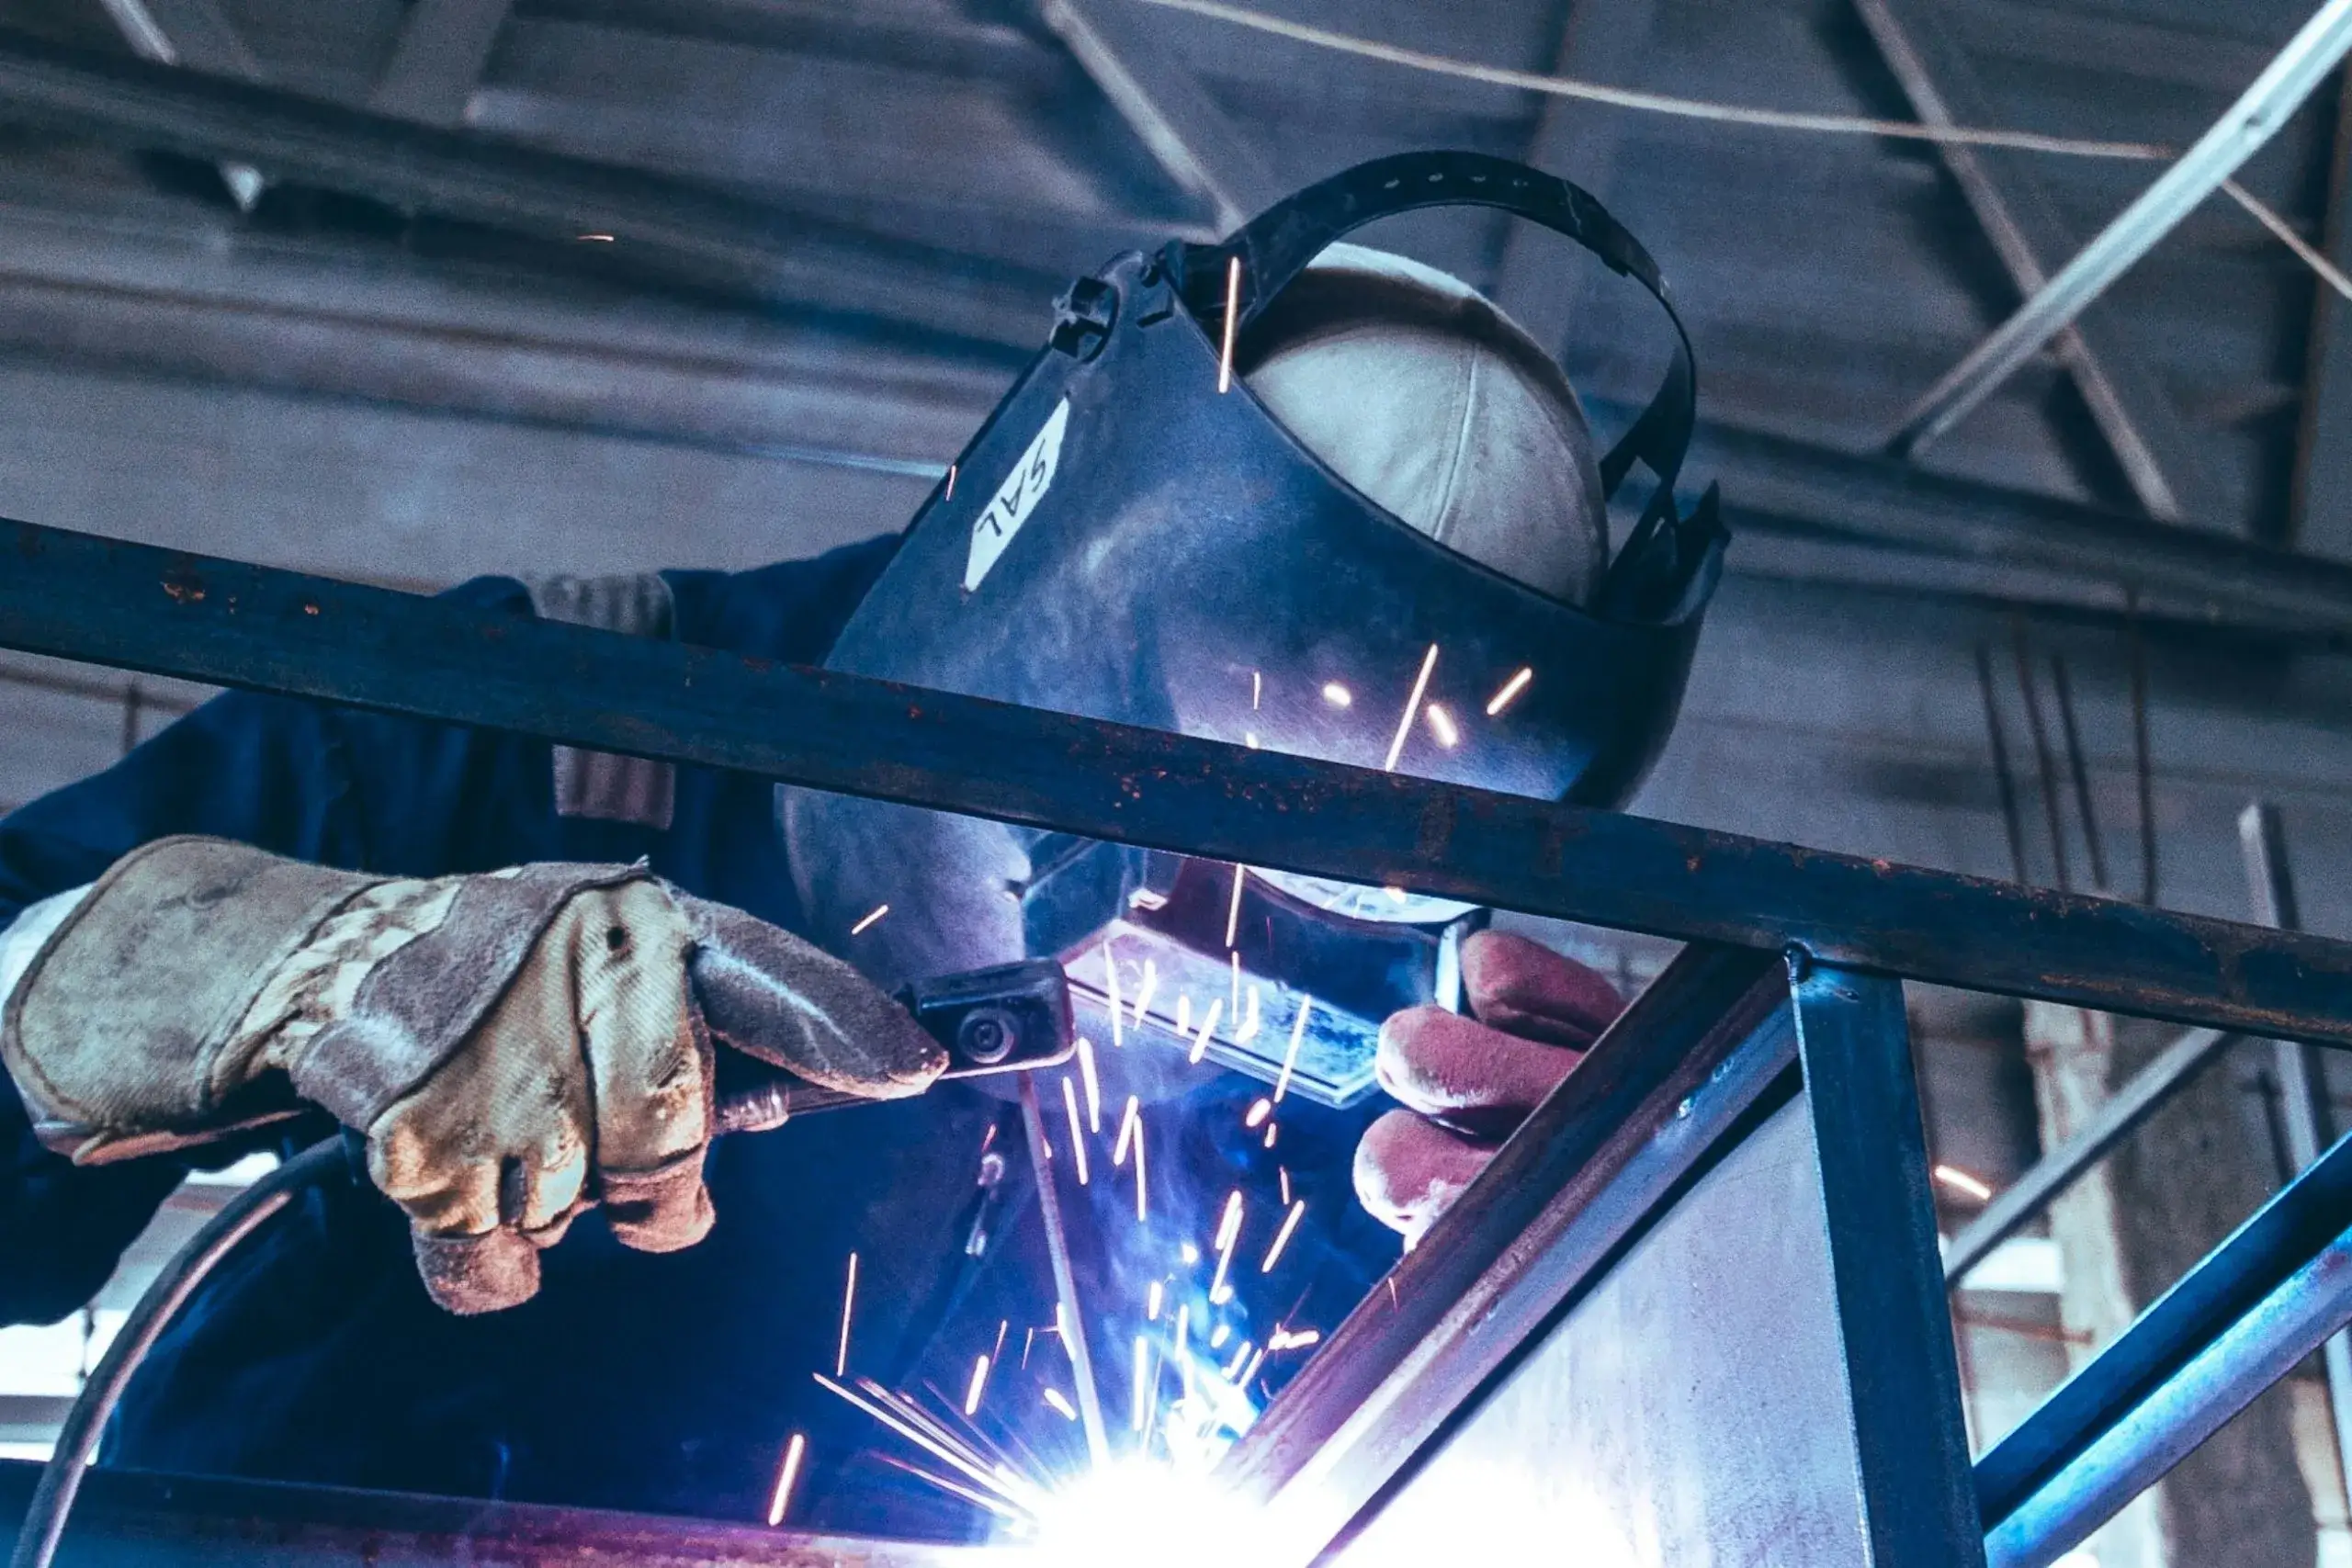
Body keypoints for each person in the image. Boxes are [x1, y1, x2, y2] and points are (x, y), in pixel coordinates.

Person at [0, 231, 1665, 1535]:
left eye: (1319, 862)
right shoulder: (535, 727)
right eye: (1184, 787)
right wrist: (241, 967)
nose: (1208, 909)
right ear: (1056, 558)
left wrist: (1617, 1277)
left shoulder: (1352, 1052)